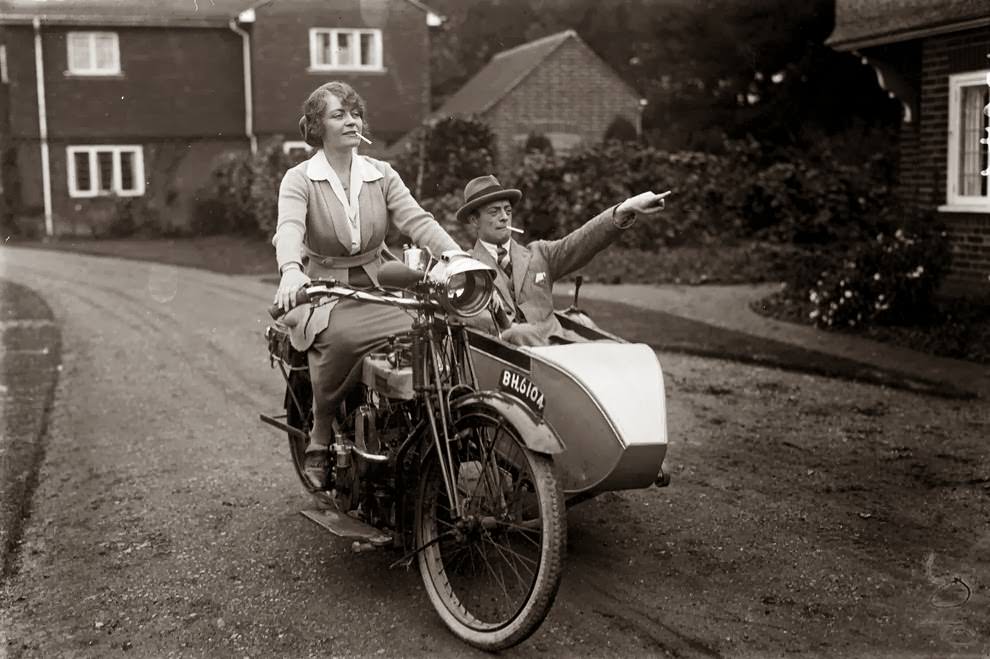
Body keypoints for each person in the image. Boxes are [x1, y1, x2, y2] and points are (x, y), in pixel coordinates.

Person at [272, 81, 463, 488]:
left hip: (381, 281)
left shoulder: (382, 173)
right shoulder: (300, 179)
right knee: (341, 339)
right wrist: (291, 270)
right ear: (317, 126)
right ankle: (321, 433)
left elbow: (418, 221)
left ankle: (419, 428)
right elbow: (288, 228)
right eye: (339, 114)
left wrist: (457, 258)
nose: (351, 120)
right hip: (325, 289)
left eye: (355, 113)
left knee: (429, 331)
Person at [456, 175, 667, 346]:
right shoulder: (467, 270)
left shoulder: (539, 254)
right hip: (510, 368)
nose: (504, 217)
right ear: (474, 220)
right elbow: (466, 321)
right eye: (494, 212)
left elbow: (581, 242)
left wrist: (624, 210)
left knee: (621, 352)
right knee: (520, 334)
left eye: (508, 211)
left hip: (560, 354)